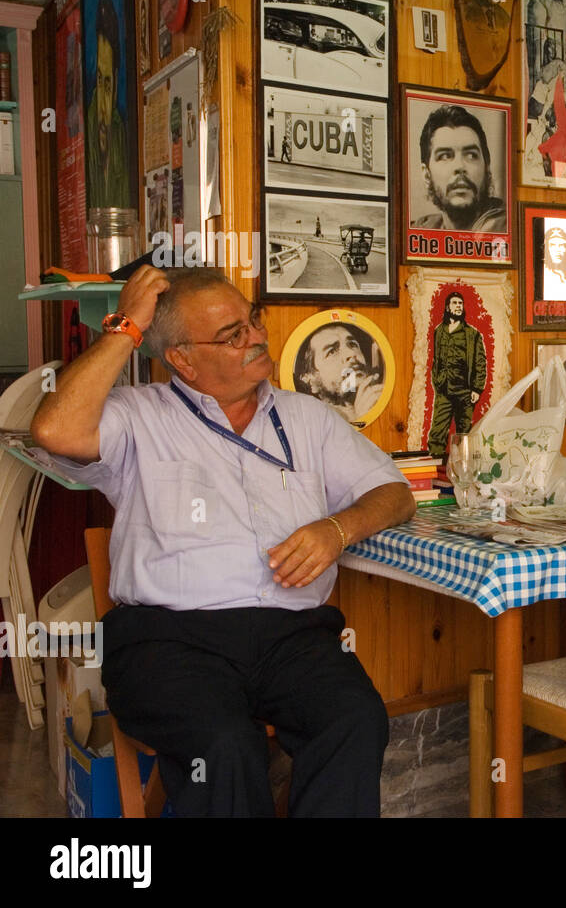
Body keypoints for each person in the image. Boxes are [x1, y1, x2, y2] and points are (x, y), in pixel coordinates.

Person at [28, 266, 415, 816]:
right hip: (168, 643)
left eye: (251, 320)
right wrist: (127, 325)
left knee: (354, 720)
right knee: (225, 746)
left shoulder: (305, 418)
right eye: (232, 334)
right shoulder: (139, 417)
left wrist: (338, 529)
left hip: (292, 637)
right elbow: (54, 429)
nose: (256, 336)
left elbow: (394, 492)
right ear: (182, 359)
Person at [412, 104, 507, 232]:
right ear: (426, 175)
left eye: (471, 155)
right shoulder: (421, 229)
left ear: (487, 168)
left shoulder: (509, 227)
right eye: (445, 156)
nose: (460, 166)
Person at [428, 291, 487, 459]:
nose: (458, 306)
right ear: (448, 307)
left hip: (465, 392)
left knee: (464, 434)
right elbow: (436, 359)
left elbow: (480, 362)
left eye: (460, 304)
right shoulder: (439, 331)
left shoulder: (472, 334)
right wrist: (437, 381)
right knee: (437, 432)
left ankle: (463, 470)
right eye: (454, 303)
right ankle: (435, 470)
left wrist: (476, 388)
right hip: (444, 390)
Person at [86, 0, 130, 210]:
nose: (104, 98)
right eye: (99, 81)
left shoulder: (120, 134)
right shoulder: (88, 128)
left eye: (108, 82)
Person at [296, 323, 384, 425]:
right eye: (332, 351)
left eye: (352, 344)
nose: (351, 354)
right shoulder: (310, 421)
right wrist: (359, 419)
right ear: (310, 379)